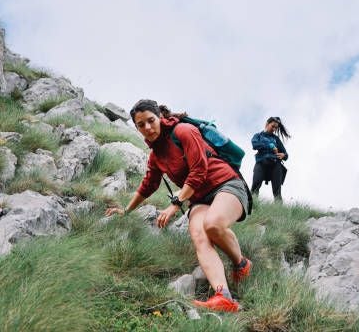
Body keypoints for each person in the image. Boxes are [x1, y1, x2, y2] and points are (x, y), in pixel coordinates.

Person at [105, 99, 251, 313]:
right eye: (140, 125)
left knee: (212, 225)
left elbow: (199, 170)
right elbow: (148, 185)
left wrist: (175, 204)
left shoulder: (183, 131)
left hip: (227, 184)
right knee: (199, 234)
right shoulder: (156, 156)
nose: (147, 128)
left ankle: (241, 264)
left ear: (160, 118)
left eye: (150, 121)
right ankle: (224, 296)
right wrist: (126, 211)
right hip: (199, 197)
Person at [250, 116, 290, 202]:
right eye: (273, 126)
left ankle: (279, 211)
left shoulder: (276, 139)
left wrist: (283, 155)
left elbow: (286, 155)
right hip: (261, 163)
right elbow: (254, 145)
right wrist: (269, 146)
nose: (274, 129)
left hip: (275, 165)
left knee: (277, 191)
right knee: (255, 184)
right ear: (267, 124)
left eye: (276, 128)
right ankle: (252, 206)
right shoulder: (258, 136)